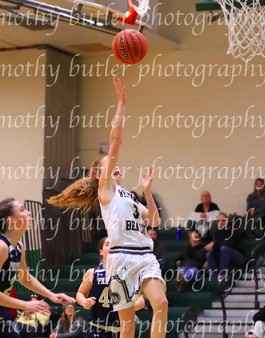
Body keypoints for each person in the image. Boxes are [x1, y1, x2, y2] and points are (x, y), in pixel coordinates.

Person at [48, 78, 168, 338]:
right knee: (127, 324)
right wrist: (121, 104)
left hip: (144, 255)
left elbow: (155, 222)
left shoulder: (129, 196)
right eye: (109, 163)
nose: (115, 164)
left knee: (161, 303)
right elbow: (116, 141)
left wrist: (147, 192)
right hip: (121, 258)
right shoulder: (107, 191)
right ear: (100, 174)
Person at [0, 197, 76, 338]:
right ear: (11, 221)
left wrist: (51, 295)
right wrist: (25, 305)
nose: (29, 213)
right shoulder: (1, 247)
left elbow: (25, 278)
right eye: (22, 210)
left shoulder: (19, 247)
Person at [76, 237, 145, 338]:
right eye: (108, 244)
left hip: (122, 331)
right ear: (101, 251)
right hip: (97, 329)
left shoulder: (129, 274)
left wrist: (126, 307)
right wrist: (84, 302)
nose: (112, 246)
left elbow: (141, 301)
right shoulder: (92, 273)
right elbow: (80, 293)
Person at [205, 212, 246, 279]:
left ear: (227, 220)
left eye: (223, 220)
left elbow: (230, 244)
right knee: (209, 255)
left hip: (239, 256)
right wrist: (212, 248)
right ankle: (213, 278)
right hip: (224, 255)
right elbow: (217, 246)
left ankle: (223, 275)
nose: (221, 222)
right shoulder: (217, 232)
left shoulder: (233, 229)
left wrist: (214, 243)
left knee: (224, 249)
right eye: (218, 221)